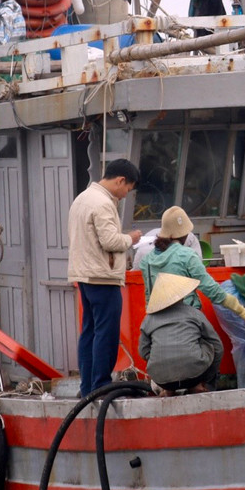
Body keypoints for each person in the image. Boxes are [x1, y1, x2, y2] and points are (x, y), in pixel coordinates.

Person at [67, 158, 143, 398]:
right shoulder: (102, 203)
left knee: (89, 332)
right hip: (103, 277)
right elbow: (110, 241)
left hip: (85, 275)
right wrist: (131, 238)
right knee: (106, 333)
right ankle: (101, 386)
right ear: (120, 180)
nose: (126, 194)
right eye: (128, 188)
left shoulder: (82, 198)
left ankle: (87, 388)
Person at [137, 205, 245, 328]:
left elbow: (149, 298)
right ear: (184, 233)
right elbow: (212, 290)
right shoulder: (187, 256)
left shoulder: (147, 260)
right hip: (187, 321)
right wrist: (242, 311)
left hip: (156, 323)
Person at [138, 273, 222, 395]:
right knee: (206, 342)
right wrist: (207, 378)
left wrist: (161, 359)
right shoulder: (194, 313)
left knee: (157, 351)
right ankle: (198, 386)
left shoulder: (149, 319)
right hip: (196, 376)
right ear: (181, 295)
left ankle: (169, 390)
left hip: (162, 381)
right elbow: (218, 347)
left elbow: (143, 351)